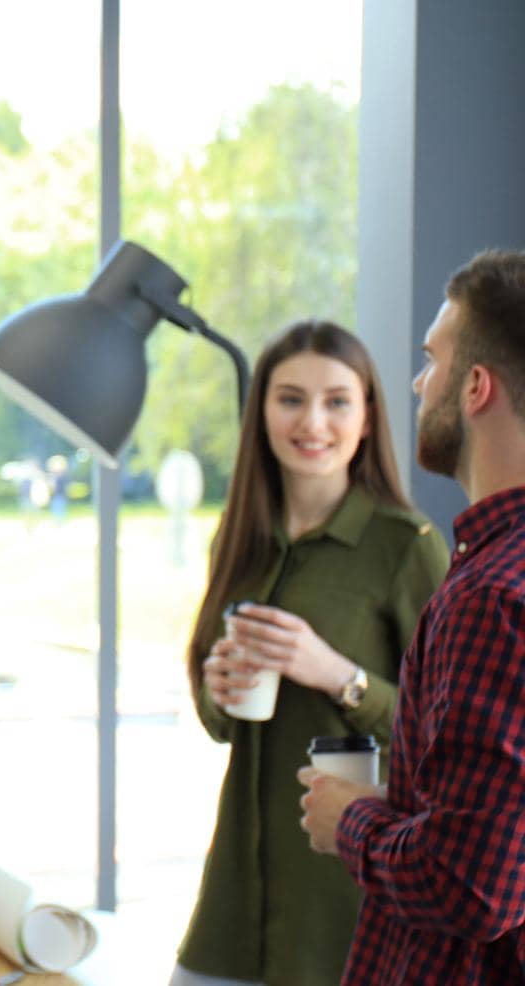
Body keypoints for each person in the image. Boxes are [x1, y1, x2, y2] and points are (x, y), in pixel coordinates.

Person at [174, 322, 449, 986]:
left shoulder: (406, 547)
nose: (313, 421)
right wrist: (218, 687)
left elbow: (443, 733)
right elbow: (220, 726)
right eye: (290, 398)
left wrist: (338, 675)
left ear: (367, 417)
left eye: (337, 401)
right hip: (235, 889)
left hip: (344, 896)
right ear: (261, 411)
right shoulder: (237, 538)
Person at [301, 248, 525, 983]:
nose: (419, 382)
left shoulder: (491, 597)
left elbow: (470, 885)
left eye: (432, 360)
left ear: (477, 387)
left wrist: (353, 821)